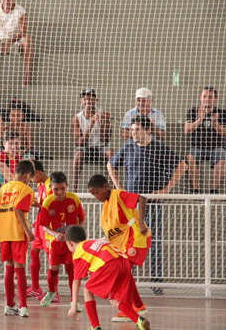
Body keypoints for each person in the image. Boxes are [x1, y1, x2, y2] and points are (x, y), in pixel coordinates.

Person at [108, 115, 187, 300]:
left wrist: (166, 189)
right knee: (128, 242)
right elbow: (111, 165)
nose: (134, 134)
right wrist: (119, 187)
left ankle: (156, 283)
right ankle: (127, 280)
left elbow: (182, 165)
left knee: (154, 241)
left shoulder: (159, 148)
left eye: (137, 130)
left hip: (152, 203)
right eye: (132, 130)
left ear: (148, 130)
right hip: (131, 205)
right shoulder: (128, 147)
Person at [87, 174, 150, 321]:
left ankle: (126, 309)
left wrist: (141, 223)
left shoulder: (119, 195)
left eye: (97, 192)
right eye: (92, 194)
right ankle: (139, 306)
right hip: (124, 244)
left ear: (105, 187)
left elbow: (142, 199)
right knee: (125, 273)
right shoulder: (106, 205)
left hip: (136, 238)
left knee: (123, 272)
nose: (96, 196)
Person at [66, 225, 151, 330]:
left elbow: (76, 281)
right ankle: (139, 320)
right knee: (115, 300)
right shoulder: (94, 243)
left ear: (70, 243)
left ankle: (95, 326)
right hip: (124, 262)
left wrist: (74, 305)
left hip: (109, 264)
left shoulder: (79, 251)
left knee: (87, 290)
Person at [0, 160, 35, 317]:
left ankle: (9, 305)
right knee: (20, 268)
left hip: (3, 232)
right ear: (27, 175)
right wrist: (28, 231)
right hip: (17, 232)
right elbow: (18, 209)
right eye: (30, 178)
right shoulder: (26, 189)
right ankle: (23, 306)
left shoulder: (4, 188)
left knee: (8, 268)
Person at [38, 171, 85, 309]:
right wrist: (54, 234)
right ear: (51, 188)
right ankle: (52, 292)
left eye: (62, 188)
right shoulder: (48, 202)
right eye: (55, 189)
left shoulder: (74, 199)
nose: (59, 192)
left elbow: (82, 218)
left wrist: (77, 232)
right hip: (55, 242)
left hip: (71, 243)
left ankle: (74, 300)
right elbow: (44, 226)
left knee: (71, 269)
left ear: (67, 186)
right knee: (53, 269)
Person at [184, 86, 226, 193]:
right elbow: (187, 130)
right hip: (197, 147)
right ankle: (196, 190)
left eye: (210, 97)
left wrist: (215, 124)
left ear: (215, 99)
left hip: (216, 148)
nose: (206, 99)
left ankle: (214, 190)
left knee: (222, 156)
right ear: (200, 97)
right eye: (204, 96)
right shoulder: (193, 111)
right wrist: (200, 119)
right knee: (190, 157)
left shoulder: (222, 113)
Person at [71, 89, 113, 192]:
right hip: (86, 148)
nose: (89, 102)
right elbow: (78, 142)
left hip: (101, 147)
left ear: (96, 100)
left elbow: (106, 138)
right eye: (85, 99)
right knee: (78, 154)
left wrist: (102, 123)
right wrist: (90, 126)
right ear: (82, 102)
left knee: (110, 152)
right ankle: (74, 187)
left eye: (92, 99)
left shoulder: (105, 115)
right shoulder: (77, 118)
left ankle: (114, 185)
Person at [27, 160, 50, 299]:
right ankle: (35, 287)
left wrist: (30, 203)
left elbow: (49, 206)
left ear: (38, 173)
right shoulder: (41, 185)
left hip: (48, 228)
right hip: (40, 226)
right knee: (34, 252)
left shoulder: (50, 186)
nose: (31, 180)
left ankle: (53, 292)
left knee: (51, 259)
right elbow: (43, 206)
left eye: (31, 176)